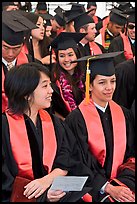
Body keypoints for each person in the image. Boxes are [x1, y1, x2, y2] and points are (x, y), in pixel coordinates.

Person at [2, 62, 92, 202]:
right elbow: (5, 181)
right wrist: (43, 197)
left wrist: (48, 180)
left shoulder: (55, 124)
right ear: (26, 94)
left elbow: (68, 159)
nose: (51, 91)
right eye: (45, 86)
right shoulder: (4, 127)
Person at [65, 52, 135, 202]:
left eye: (113, 81)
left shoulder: (124, 114)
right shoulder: (76, 119)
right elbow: (78, 161)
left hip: (123, 182)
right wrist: (107, 187)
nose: (109, 88)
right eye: (102, 82)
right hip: (92, 187)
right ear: (89, 85)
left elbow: (131, 154)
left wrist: (122, 184)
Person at [2, 10, 38, 113]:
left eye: (16, 48)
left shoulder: (31, 64)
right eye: (5, 47)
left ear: (22, 45)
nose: (10, 54)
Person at [50, 32, 87, 120]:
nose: (66, 60)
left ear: (77, 55)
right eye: (62, 56)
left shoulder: (86, 77)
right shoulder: (53, 82)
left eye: (70, 55)